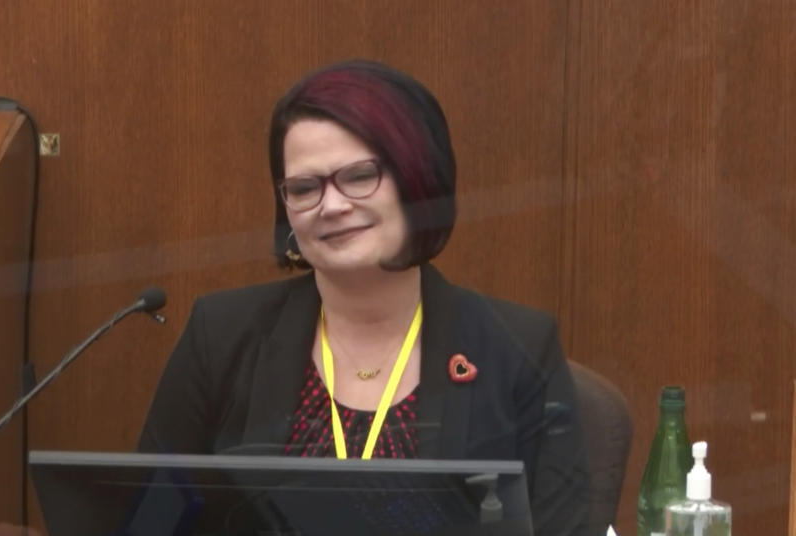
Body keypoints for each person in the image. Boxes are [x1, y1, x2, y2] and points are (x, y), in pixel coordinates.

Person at [138, 59, 590, 535]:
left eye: (358, 176)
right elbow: (148, 520)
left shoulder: (516, 348)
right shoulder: (222, 335)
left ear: (417, 180)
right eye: (305, 187)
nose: (331, 206)